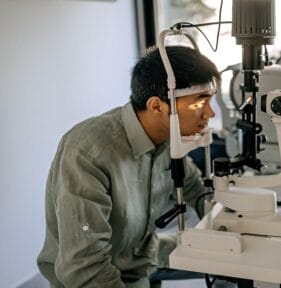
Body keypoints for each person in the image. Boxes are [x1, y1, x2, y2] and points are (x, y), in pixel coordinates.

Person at [37, 45, 220, 287]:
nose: (210, 113)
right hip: (101, 276)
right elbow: (85, 266)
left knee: (234, 265)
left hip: (144, 256)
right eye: (199, 103)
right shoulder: (87, 152)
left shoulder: (168, 138)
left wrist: (231, 220)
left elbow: (196, 190)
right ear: (156, 106)